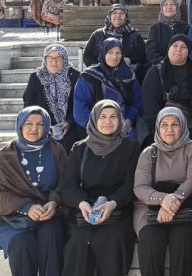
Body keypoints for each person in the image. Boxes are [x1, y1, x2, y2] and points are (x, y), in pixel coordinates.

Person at [59, 100, 141, 276]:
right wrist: (82, 203)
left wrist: (113, 203)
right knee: (79, 241)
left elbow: (130, 185)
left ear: (120, 120)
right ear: (94, 119)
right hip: (84, 210)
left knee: (114, 238)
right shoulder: (80, 148)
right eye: (102, 116)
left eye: (113, 117)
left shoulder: (131, 147)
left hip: (117, 210)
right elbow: (68, 186)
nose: (108, 121)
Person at [0, 106, 67, 276]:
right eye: (28, 123)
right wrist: (25, 207)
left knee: (51, 235)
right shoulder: (4, 155)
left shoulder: (56, 150)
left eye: (40, 124)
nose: (34, 128)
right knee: (22, 242)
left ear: (47, 126)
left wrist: (54, 202)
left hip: (49, 213)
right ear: (20, 126)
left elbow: (65, 182)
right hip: (14, 216)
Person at [133, 108, 192, 276]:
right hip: (149, 209)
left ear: (183, 126)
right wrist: (163, 199)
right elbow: (140, 187)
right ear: (158, 128)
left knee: (184, 237)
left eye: (175, 124)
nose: (169, 129)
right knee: (150, 238)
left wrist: (170, 204)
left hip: (182, 207)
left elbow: (191, 180)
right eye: (164, 124)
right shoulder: (149, 152)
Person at [74, 38, 142, 141]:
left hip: (123, 126)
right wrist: (98, 126)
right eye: (110, 52)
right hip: (96, 127)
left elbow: (137, 101)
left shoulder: (128, 74)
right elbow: (80, 109)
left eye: (118, 53)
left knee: (131, 142)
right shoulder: (90, 76)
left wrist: (129, 119)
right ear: (103, 53)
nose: (114, 56)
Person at [141, 34, 192, 147]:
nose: (179, 50)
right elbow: (150, 105)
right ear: (168, 49)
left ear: (188, 51)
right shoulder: (156, 72)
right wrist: (158, 131)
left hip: (191, 125)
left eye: (183, 47)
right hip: (162, 125)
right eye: (175, 45)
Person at [24, 44, 81, 151]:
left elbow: (79, 104)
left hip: (70, 124)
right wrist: (43, 123)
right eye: (50, 58)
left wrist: (69, 122)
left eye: (58, 58)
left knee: (71, 143)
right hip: (42, 124)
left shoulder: (75, 77)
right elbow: (29, 104)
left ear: (65, 60)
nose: (54, 62)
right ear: (45, 60)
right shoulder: (36, 77)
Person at [82, 4, 148, 80]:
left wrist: (130, 60)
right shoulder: (98, 34)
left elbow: (143, 56)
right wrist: (99, 69)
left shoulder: (134, 34)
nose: (118, 16)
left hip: (129, 75)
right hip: (101, 76)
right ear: (109, 16)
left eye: (121, 13)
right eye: (114, 13)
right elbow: (87, 56)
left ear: (126, 17)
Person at [146, 0, 189, 66]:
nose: (169, 7)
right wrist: (164, 63)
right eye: (165, 4)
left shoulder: (186, 27)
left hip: (181, 64)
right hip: (159, 65)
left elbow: (188, 48)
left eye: (172, 4)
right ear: (161, 8)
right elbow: (151, 51)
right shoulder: (155, 28)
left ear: (177, 8)